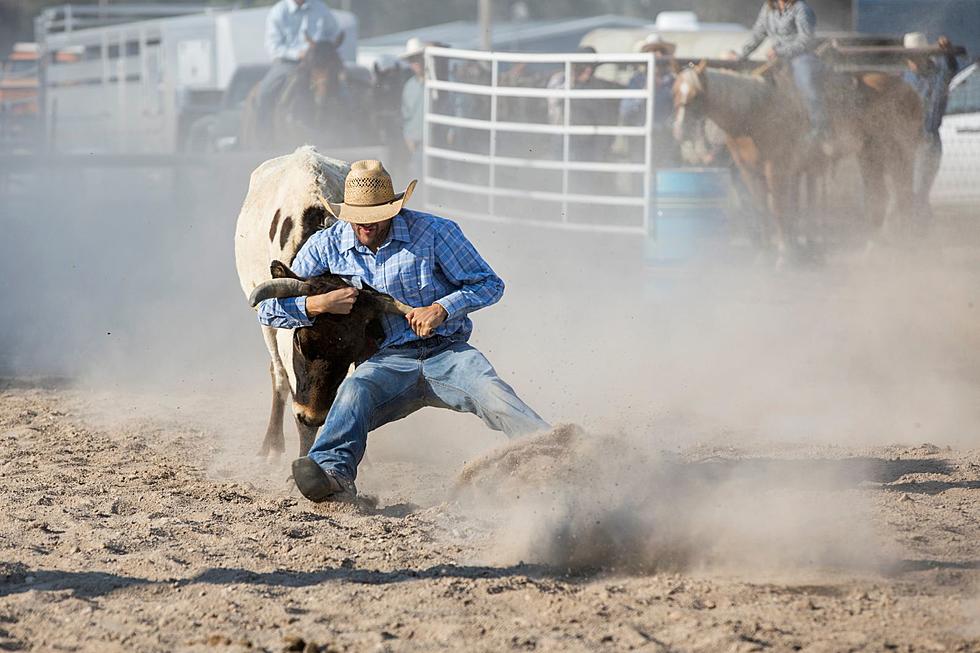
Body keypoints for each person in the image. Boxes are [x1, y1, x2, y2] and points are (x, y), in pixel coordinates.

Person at [257, 160, 550, 502]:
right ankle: (331, 474)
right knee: (354, 390)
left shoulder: (436, 233)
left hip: (447, 352)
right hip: (388, 360)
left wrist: (443, 308)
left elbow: (489, 284)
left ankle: (553, 452)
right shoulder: (328, 245)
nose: (365, 225)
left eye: (375, 216)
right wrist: (319, 305)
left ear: (393, 209)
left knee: (491, 391)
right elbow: (268, 307)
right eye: (357, 217)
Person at [739, 0, 828, 146]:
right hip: (777, 60)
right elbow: (758, 34)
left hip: (800, 57)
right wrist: (742, 55)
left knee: (805, 80)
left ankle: (819, 126)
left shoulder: (801, 9)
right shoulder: (768, 9)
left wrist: (780, 51)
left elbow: (806, 40)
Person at [254, 0, 341, 145]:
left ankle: (350, 130)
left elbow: (333, 33)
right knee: (265, 92)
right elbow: (273, 46)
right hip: (288, 63)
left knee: (343, 90)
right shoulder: (279, 11)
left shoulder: (320, 8)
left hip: (318, 62)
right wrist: (297, 54)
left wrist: (322, 49)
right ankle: (264, 139)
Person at [902, 32, 961, 224]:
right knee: (910, 194)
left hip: (927, 141)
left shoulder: (936, 76)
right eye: (909, 57)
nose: (911, 61)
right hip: (907, 142)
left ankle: (921, 234)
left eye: (914, 56)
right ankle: (924, 235)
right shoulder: (906, 78)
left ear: (923, 56)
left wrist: (947, 53)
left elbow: (951, 70)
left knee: (918, 193)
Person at [401, 38, 427, 180]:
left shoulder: (436, 83)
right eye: (412, 59)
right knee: (417, 177)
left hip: (435, 139)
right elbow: (406, 115)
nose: (415, 62)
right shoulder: (409, 86)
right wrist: (407, 137)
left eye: (418, 58)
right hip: (417, 143)